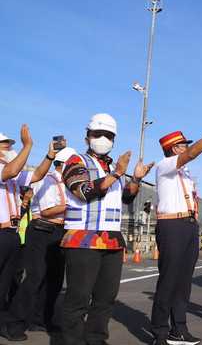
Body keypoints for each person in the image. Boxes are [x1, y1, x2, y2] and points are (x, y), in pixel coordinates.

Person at [60, 113, 153, 345]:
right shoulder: (76, 161)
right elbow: (83, 191)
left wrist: (136, 180)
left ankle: (96, 339)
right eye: (97, 134)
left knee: (105, 299)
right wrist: (118, 173)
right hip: (82, 240)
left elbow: (125, 199)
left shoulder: (112, 168)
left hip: (111, 241)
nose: (103, 138)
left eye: (108, 135)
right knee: (78, 299)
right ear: (87, 136)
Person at [150, 119, 202, 345]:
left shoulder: (185, 174)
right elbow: (192, 154)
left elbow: (190, 158)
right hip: (171, 226)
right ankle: (160, 332)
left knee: (184, 282)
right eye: (183, 145)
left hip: (188, 226)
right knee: (168, 280)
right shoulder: (164, 165)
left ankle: (179, 329)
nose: (186, 147)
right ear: (174, 149)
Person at [2, 147, 76, 341]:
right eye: (74, 164)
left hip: (59, 232)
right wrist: (72, 207)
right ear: (65, 164)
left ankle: (42, 318)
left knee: (54, 280)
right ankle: (14, 322)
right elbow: (47, 211)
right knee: (35, 278)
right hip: (42, 231)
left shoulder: (68, 183)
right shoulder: (50, 180)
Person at [0, 125, 59, 319]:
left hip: (12, 233)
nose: (10, 149)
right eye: (5, 146)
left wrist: (49, 156)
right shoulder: (6, 170)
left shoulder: (12, 173)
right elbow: (11, 170)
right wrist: (28, 145)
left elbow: (37, 175)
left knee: (7, 283)